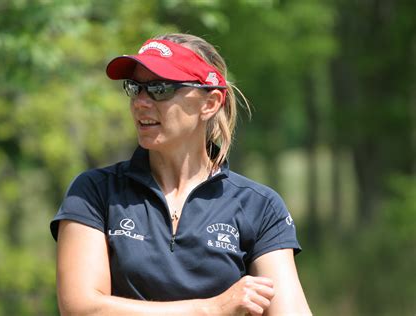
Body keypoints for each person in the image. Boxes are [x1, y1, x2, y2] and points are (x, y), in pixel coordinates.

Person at [50, 33, 311, 315]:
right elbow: (82, 309)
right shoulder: (95, 191)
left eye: (160, 88)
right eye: (134, 87)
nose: (140, 101)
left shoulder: (259, 206)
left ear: (210, 103)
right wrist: (211, 309)